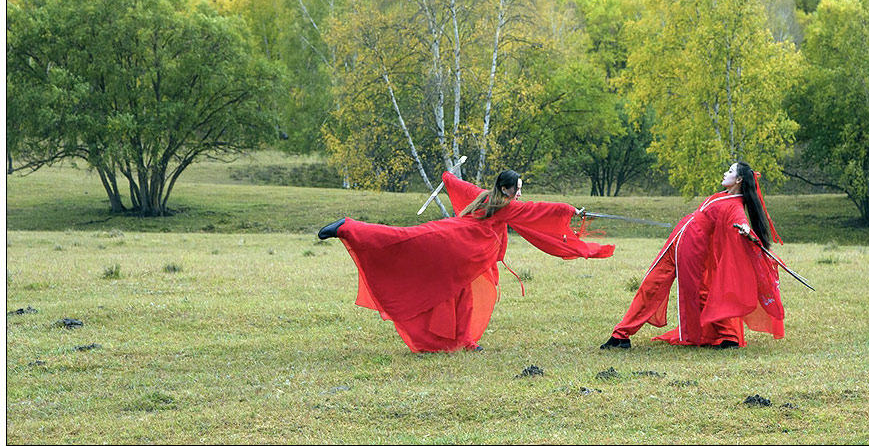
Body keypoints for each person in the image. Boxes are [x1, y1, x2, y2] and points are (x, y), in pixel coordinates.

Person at [318, 169, 615, 353]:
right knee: (400, 239)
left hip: (455, 244)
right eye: (517, 189)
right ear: (505, 189)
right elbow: (538, 210)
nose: (520, 194)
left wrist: (448, 177)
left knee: (458, 291)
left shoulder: (484, 196)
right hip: (457, 247)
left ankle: (462, 340)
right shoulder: (504, 208)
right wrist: (570, 210)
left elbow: (460, 186)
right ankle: (349, 227)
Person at [600, 161, 784, 350]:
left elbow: (740, 220)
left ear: (738, 179)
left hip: (693, 247)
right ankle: (621, 335)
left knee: (699, 292)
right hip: (680, 240)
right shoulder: (723, 196)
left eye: (729, 171)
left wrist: (745, 230)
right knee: (651, 283)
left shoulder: (735, 205)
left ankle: (729, 337)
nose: (724, 173)